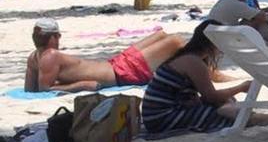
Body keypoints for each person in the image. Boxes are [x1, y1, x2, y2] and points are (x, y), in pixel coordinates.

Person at [141, 22, 268, 137]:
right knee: (224, 111)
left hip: (155, 115)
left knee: (226, 103)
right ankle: (266, 119)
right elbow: (211, 97)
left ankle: (256, 117)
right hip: (161, 118)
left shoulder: (188, 57)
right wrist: (241, 87)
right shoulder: (193, 61)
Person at [25, 24, 185, 92]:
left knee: (161, 35)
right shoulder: (51, 55)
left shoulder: (34, 57)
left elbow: (29, 89)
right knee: (175, 41)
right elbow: (44, 89)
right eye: (58, 36)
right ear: (53, 37)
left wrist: (66, 82)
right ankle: (204, 71)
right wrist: (81, 85)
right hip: (122, 73)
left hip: (116, 63)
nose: (59, 39)